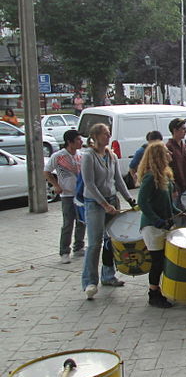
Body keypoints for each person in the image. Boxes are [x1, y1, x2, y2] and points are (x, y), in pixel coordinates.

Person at [80, 123, 136, 299]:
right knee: (95, 242)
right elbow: (89, 183)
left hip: (113, 200)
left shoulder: (111, 155)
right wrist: (104, 204)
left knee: (110, 241)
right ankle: (89, 281)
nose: (108, 136)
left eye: (109, 133)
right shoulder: (88, 156)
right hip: (95, 203)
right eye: (105, 134)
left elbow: (119, 180)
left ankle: (108, 275)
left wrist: (130, 199)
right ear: (95, 137)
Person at [136, 142, 181, 308]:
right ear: (158, 157)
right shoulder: (150, 177)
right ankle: (153, 294)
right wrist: (156, 220)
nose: (169, 153)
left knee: (164, 260)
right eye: (166, 152)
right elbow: (142, 202)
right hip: (152, 227)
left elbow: (167, 201)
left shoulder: (165, 175)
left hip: (164, 225)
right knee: (157, 262)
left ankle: (161, 290)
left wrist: (176, 211)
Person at [44, 129, 85, 264]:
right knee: (68, 223)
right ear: (70, 142)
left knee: (81, 222)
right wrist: (55, 185)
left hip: (80, 194)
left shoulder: (81, 155)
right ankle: (64, 251)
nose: (81, 142)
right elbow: (47, 171)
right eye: (78, 139)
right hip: (67, 195)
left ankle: (78, 246)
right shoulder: (59, 156)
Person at [166, 118, 186, 227]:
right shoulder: (168, 148)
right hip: (176, 190)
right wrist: (173, 187)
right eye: (183, 129)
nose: (185, 131)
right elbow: (166, 172)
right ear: (175, 130)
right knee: (178, 220)